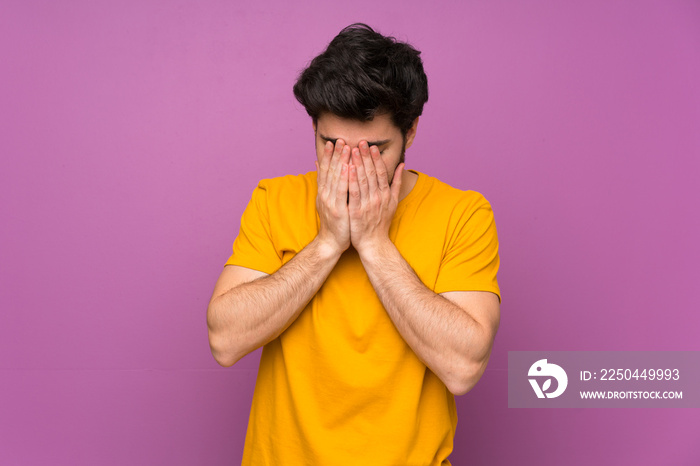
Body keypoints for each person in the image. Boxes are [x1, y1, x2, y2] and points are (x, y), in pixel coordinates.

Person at [207, 23, 501, 466]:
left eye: (374, 150)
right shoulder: (275, 200)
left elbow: (463, 367)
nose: (350, 168)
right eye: (332, 146)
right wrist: (327, 243)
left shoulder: (463, 214)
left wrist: (374, 245)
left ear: (411, 133)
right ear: (313, 128)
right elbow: (224, 339)